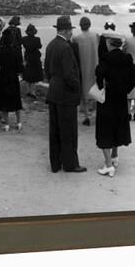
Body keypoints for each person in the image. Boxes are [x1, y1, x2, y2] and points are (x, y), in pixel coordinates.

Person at [44, 15, 87, 173]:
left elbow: (47, 70)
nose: (71, 33)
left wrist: (54, 82)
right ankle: (70, 164)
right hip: (66, 95)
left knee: (54, 130)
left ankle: (55, 163)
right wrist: (77, 87)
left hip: (53, 92)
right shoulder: (66, 48)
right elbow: (70, 75)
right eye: (70, 30)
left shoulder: (50, 45)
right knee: (68, 131)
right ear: (66, 30)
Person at [95, 33, 135, 177]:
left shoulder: (105, 58)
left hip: (107, 99)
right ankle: (114, 157)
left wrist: (103, 85)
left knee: (105, 129)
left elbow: (99, 73)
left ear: (109, 43)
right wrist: (126, 89)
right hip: (121, 99)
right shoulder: (127, 58)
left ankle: (108, 166)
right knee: (117, 126)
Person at [0, 29, 24, 131]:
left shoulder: (0, 53)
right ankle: (19, 122)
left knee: (4, 102)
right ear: (12, 41)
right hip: (14, 78)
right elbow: (20, 69)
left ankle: (6, 124)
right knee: (16, 101)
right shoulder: (17, 52)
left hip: (3, 78)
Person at [72, 17, 100, 125]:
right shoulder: (96, 36)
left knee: (84, 90)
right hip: (95, 66)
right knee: (95, 90)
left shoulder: (76, 38)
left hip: (83, 67)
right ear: (90, 24)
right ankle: (97, 115)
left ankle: (87, 116)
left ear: (80, 25)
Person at [21, 23, 43, 99]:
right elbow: (40, 46)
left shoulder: (23, 39)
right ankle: (33, 92)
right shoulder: (37, 39)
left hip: (27, 58)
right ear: (34, 31)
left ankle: (28, 91)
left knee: (27, 75)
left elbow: (22, 45)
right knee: (34, 76)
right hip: (35, 58)